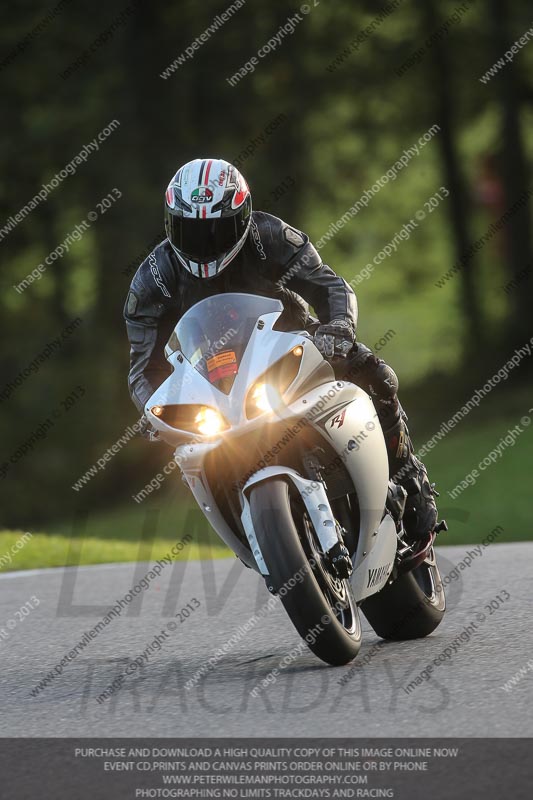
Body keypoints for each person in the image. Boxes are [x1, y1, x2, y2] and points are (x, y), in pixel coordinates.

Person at [124, 158, 438, 544]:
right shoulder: (153, 279)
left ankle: (409, 473)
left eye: (216, 230)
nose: (204, 244)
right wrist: (152, 408)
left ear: (242, 217)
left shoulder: (268, 235)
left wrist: (338, 327)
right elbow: (144, 368)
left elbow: (329, 287)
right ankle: (259, 535)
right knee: (190, 451)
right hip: (214, 380)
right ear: (171, 224)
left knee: (375, 373)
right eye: (191, 231)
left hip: (294, 344)